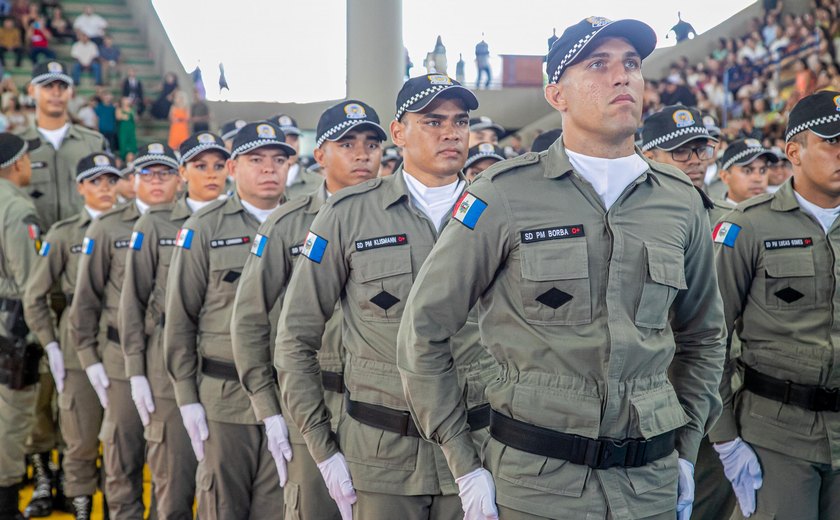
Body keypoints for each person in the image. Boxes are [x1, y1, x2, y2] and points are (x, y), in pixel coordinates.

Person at [396, 17, 726, 520]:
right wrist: (463, 463)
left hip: (649, 484)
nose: (622, 77)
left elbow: (704, 336)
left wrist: (686, 446)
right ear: (557, 94)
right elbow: (424, 329)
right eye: (598, 64)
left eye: (632, 64)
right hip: (537, 486)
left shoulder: (680, 202)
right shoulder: (503, 194)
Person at [275, 74, 495, 520]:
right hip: (380, 460)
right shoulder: (347, 215)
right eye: (432, 120)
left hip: (480, 452)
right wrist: (322, 447)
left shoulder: (495, 213)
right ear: (399, 133)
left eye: (460, 120)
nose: (451, 132)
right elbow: (296, 338)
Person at [232, 100, 386, 520]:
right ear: (319, 156)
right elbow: (249, 321)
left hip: (385, 411)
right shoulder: (287, 224)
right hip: (311, 403)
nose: (362, 154)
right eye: (347, 143)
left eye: (372, 144)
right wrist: (267, 408)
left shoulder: (399, 218)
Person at [709, 90, 840, 520]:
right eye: (831, 141)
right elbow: (708, 338)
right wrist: (725, 438)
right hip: (776, 436)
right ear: (794, 152)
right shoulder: (747, 226)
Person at [164, 122, 293, 519]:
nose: (269, 169)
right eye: (256, 160)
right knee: (223, 507)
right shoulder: (204, 228)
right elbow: (180, 318)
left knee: (281, 506)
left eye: (278, 159)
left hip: (291, 395)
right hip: (225, 399)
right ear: (234, 168)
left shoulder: (310, 221)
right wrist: (186, 397)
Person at [69, 143, 181, 519]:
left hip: (172, 363)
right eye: (147, 173)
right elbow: (85, 301)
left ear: (178, 178)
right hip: (119, 363)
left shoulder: (190, 224)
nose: (156, 181)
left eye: (165, 172)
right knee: (122, 458)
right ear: (133, 180)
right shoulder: (108, 227)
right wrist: (90, 359)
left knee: (171, 465)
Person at [119, 134, 226, 519]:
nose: (211, 174)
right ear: (183, 173)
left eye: (218, 165)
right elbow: (131, 302)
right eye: (200, 165)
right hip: (166, 370)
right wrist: (135, 372)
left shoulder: (246, 223)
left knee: (220, 488)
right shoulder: (156, 223)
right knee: (173, 484)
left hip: (226, 373)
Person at [24, 152, 120, 519]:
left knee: (121, 445)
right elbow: (35, 295)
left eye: (111, 180)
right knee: (79, 441)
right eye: (96, 181)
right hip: (77, 354)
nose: (105, 188)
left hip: (124, 353)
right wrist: (51, 344)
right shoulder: (64, 234)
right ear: (81, 188)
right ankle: (81, 508)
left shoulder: (134, 227)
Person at [0, 132, 43, 520]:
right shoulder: (16, 208)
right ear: (17, 164)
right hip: (11, 329)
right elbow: (30, 282)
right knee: (12, 422)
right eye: (29, 158)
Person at [18, 61, 106, 231]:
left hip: (83, 246)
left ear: (71, 92)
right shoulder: (17, 147)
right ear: (31, 90)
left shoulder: (93, 143)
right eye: (47, 86)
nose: (56, 93)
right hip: (34, 246)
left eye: (63, 86)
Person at [712, 138, 777, 222]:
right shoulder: (710, 216)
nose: (758, 179)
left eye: (763, 170)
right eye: (748, 171)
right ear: (725, 176)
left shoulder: (778, 215)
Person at [274, 114, 320, 199]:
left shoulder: (318, 183)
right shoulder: (258, 182)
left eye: (294, 139)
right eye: (283, 139)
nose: (290, 145)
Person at [116, 96, 136, 160]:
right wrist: (125, 116)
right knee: (123, 142)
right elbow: (118, 117)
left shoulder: (132, 109)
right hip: (123, 129)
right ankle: (124, 158)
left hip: (131, 128)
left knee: (132, 142)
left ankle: (132, 157)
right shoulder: (119, 109)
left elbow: (135, 118)